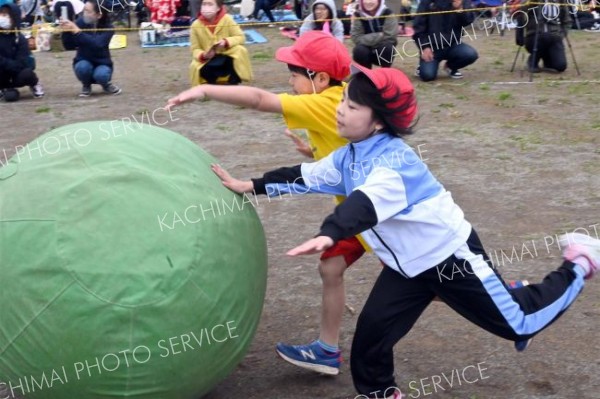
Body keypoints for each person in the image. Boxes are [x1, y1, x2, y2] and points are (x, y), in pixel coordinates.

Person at [210, 65, 600, 399]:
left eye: (353, 106)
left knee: (518, 323)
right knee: (371, 342)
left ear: (378, 120)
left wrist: (330, 233)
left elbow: (364, 205)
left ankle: (579, 262)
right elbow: (306, 176)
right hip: (407, 269)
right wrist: (251, 185)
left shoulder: (394, 163)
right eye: (343, 101)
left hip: (449, 257)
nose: (341, 112)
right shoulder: (351, 155)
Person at [167, 31, 367, 376]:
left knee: (432, 279)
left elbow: (260, 99)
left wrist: (204, 90)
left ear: (319, 78)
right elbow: (335, 159)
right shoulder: (336, 98)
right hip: (362, 214)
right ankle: (327, 351)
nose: (289, 81)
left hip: (376, 216)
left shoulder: (322, 102)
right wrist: (312, 151)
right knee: (331, 267)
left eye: (294, 74)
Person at [60, 0, 122, 97]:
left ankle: (106, 84)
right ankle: (86, 85)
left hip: (103, 63)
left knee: (101, 75)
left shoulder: (108, 28)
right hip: (83, 60)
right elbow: (68, 46)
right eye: (84, 10)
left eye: (88, 11)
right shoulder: (79, 22)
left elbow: (97, 44)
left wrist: (77, 31)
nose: (85, 14)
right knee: (82, 67)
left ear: (99, 15)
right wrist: (66, 31)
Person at [189, 0, 252, 86]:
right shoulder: (195, 25)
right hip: (209, 59)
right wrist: (203, 55)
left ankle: (232, 80)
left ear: (218, 8)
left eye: (210, 4)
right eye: (204, 4)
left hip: (226, 55)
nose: (206, 7)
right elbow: (195, 49)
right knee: (195, 65)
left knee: (240, 50)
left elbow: (241, 37)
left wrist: (226, 42)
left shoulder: (227, 19)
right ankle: (211, 82)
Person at [412, 0, 478, 80]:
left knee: (471, 54)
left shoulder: (462, 1)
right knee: (427, 75)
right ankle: (422, 66)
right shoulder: (426, 2)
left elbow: (468, 21)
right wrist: (424, 47)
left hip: (453, 45)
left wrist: (459, 9)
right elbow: (418, 27)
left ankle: (450, 66)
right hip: (432, 47)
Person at [0, 2, 44, 101]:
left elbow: (20, 64)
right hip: (2, 73)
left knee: (27, 74)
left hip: (17, 73)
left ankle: (35, 84)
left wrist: (3, 61)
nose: (2, 18)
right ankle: (4, 88)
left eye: (6, 15)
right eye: (1, 15)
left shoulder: (20, 39)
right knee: (11, 97)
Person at [518, 0, 571, 73]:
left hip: (554, 37)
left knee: (560, 66)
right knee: (544, 37)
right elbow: (522, 10)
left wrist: (561, 35)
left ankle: (547, 59)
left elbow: (567, 21)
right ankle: (532, 61)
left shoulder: (560, 1)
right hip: (534, 35)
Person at [350, 0, 397, 69]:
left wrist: (366, 39)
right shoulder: (358, 15)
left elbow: (390, 37)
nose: (368, 2)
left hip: (381, 51)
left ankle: (385, 72)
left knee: (387, 48)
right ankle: (366, 74)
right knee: (359, 50)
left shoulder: (388, 13)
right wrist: (379, 35)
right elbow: (356, 38)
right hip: (365, 52)